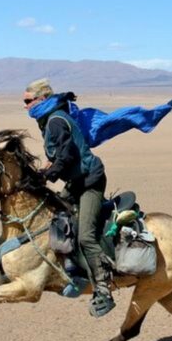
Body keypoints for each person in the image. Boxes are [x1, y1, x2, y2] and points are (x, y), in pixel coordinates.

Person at [24, 78, 115, 317]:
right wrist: (45, 170)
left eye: (27, 101)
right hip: (76, 182)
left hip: (90, 182)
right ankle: (73, 271)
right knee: (56, 218)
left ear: (41, 99)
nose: (25, 106)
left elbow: (67, 154)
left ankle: (103, 289)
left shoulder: (55, 121)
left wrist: (48, 176)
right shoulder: (49, 121)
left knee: (85, 236)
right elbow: (57, 156)